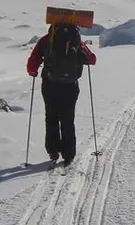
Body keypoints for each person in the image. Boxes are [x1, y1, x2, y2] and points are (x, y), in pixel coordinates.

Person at [26, 22, 97, 165]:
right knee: (68, 119)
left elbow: (32, 64)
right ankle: (68, 153)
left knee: (51, 117)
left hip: (50, 85)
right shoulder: (76, 40)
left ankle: (53, 150)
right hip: (70, 86)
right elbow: (91, 60)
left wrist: (33, 72)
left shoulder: (46, 40)